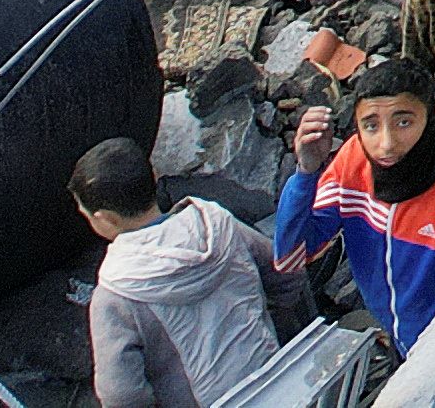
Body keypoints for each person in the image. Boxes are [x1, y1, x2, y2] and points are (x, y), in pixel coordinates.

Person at [81, 134, 301, 408]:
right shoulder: (217, 225)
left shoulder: (116, 294)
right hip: (279, 388)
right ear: (155, 175)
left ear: (105, 218)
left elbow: (122, 396)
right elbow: (287, 273)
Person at [274, 65, 435, 356]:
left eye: (403, 122)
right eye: (371, 126)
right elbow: (290, 258)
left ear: (430, 118)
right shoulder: (352, 162)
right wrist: (306, 172)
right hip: (398, 343)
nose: (387, 144)